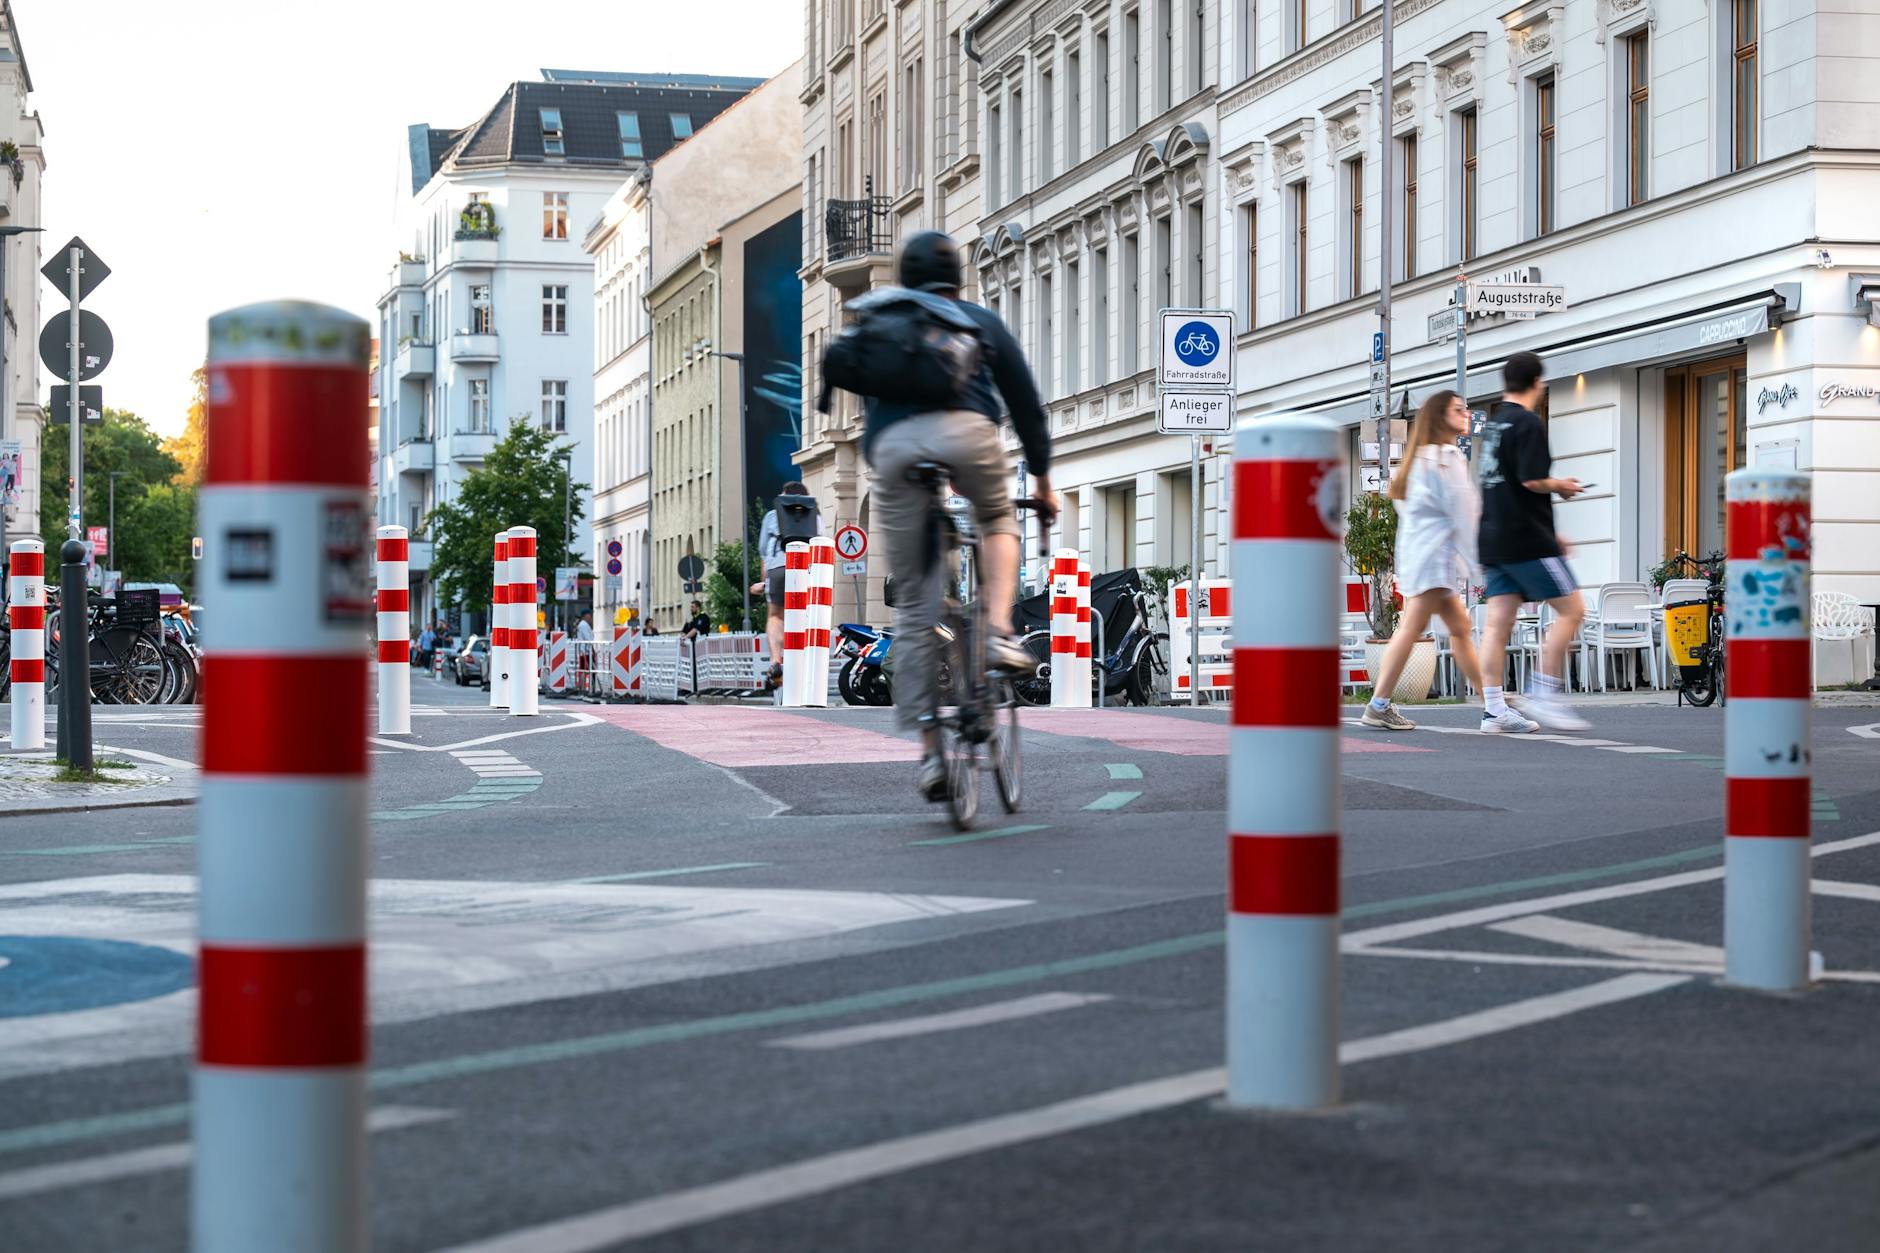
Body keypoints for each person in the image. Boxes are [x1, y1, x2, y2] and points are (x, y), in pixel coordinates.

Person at [843, 229, 1058, 800]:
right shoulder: (977, 321)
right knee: (996, 516)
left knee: (916, 608)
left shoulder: (884, 322)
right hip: (969, 434)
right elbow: (1026, 405)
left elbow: (871, 399)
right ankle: (997, 632)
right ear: (957, 279)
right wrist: (1042, 480)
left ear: (905, 281)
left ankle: (932, 757)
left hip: (892, 451)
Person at [1360, 391, 1504, 731]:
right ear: (1441, 417)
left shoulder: (1419, 458)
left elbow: (1414, 510)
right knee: (1412, 629)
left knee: (1459, 628)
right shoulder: (1446, 457)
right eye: (1458, 409)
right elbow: (1465, 513)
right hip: (1434, 560)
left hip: (1421, 557)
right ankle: (1379, 704)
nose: (1466, 414)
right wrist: (1481, 562)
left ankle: (1492, 703)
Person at [1476, 350, 1588, 733]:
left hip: (1494, 538)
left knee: (1497, 623)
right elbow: (1530, 480)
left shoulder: (1494, 427)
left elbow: (1506, 487)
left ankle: (1493, 710)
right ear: (1536, 383)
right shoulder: (1528, 424)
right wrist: (1562, 486)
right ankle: (1543, 691)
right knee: (1573, 610)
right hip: (1526, 541)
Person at [753, 482, 820, 688]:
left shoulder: (773, 516)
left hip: (778, 568)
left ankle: (775, 661)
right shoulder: (815, 516)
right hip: (807, 568)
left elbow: (765, 552)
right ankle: (806, 666)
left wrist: (764, 582)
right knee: (806, 616)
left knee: (775, 615)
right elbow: (822, 545)